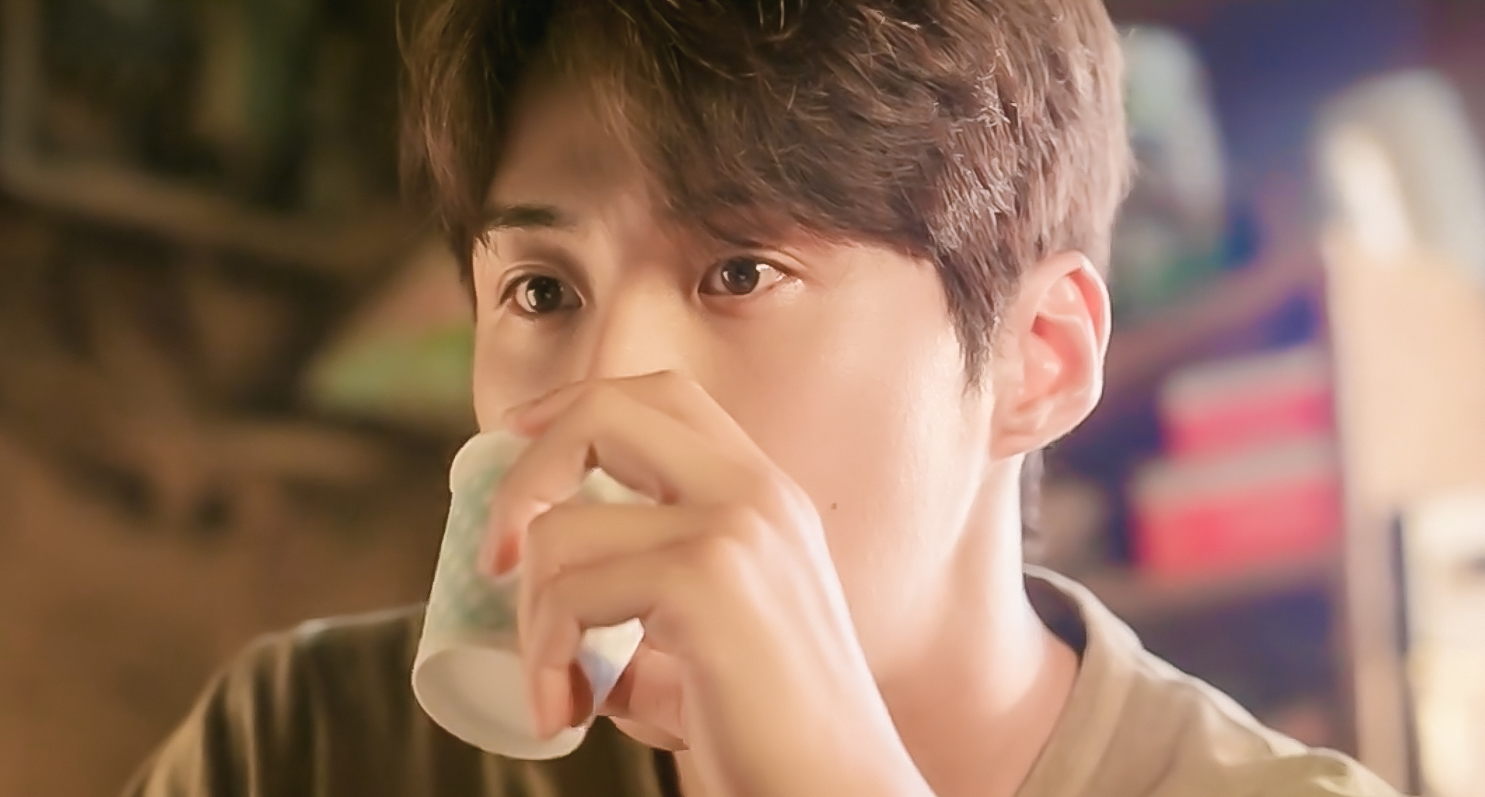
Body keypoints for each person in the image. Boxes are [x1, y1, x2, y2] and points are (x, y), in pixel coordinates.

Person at [124, 2, 1402, 796]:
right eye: (540, 289)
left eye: (740, 271)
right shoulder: (298, 744)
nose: (606, 383)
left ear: (1040, 357)